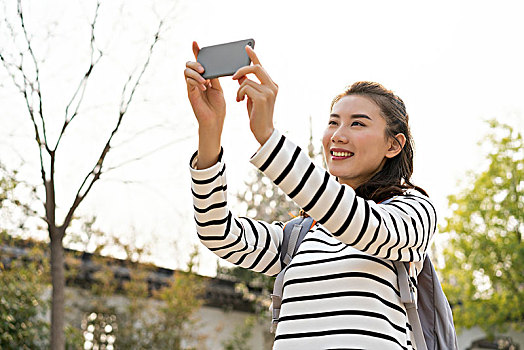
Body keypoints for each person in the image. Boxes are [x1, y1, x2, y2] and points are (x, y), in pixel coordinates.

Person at [184, 41, 436, 350]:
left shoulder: (413, 212)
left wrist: (268, 137)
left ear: (393, 145)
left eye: (357, 123)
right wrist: (209, 130)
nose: (338, 135)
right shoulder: (300, 237)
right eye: (333, 122)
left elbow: (359, 223)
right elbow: (218, 233)